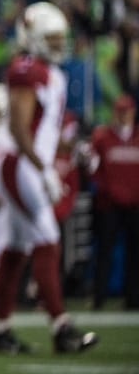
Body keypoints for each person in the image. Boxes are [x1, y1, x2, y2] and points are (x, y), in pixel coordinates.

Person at [0, 2, 97, 354]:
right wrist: (43, 168)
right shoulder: (27, 69)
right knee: (47, 238)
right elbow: (19, 128)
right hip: (18, 164)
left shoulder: (52, 74)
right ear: (31, 37)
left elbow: (43, 130)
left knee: (16, 249)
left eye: (60, 37)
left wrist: (72, 148)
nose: (58, 43)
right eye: (50, 37)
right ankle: (61, 328)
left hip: (27, 163)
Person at [88, 93, 138, 310]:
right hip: (109, 205)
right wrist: (105, 191)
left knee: (134, 253)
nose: (123, 115)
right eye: (119, 111)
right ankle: (99, 298)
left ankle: (133, 298)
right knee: (104, 251)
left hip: (135, 204)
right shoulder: (102, 137)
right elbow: (93, 169)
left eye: (126, 111)